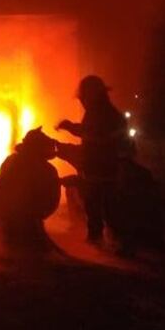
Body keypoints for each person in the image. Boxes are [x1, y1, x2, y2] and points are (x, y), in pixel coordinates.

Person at [55, 75, 129, 246]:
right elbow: (94, 134)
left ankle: (107, 241)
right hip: (103, 168)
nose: (82, 100)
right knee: (102, 205)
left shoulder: (100, 112)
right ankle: (110, 239)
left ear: (91, 94)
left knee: (100, 205)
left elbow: (94, 134)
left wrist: (70, 127)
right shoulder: (107, 111)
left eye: (84, 97)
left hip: (100, 168)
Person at [0, 127, 62, 251]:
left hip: (23, 216)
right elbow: (51, 200)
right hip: (17, 216)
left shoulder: (13, 161)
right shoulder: (45, 169)